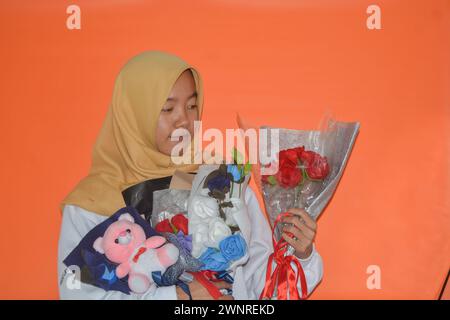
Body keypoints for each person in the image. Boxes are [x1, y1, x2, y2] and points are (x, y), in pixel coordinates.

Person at [58, 51, 323, 300]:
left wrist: (300, 255)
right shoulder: (94, 201)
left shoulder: (222, 181)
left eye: (192, 105)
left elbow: (260, 286)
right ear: (133, 113)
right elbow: (78, 293)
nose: (183, 120)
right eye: (167, 108)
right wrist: (177, 296)